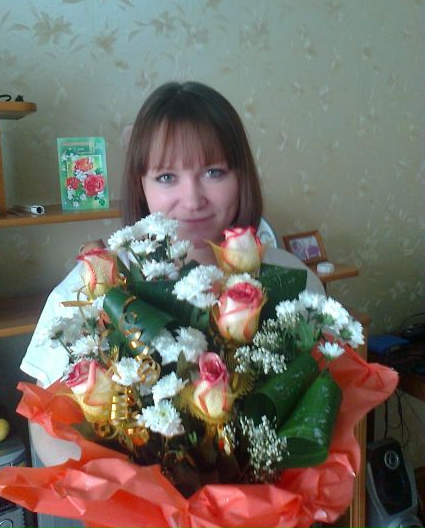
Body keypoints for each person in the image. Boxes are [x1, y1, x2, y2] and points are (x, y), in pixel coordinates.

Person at [20, 81, 324, 526]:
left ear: (242, 176)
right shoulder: (100, 283)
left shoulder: (292, 281)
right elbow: (46, 425)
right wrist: (134, 500)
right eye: (166, 177)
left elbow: (324, 410)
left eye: (214, 172)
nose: (193, 199)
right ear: (140, 185)